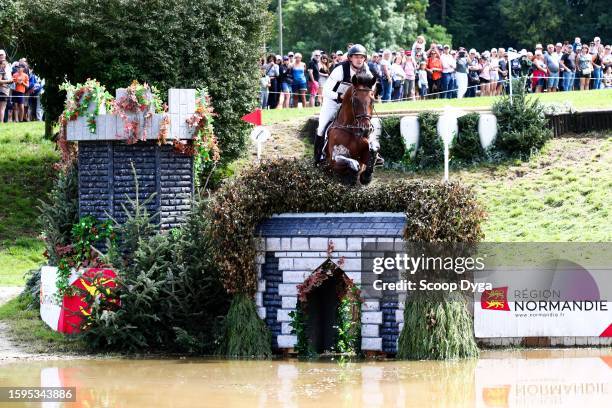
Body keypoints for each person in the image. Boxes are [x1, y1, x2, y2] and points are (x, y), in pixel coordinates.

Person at [314, 44, 379, 164]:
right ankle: (319, 157)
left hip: (353, 104)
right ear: (350, 58)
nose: (359, 60)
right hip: (333, 102)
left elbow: (371, 86)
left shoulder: (366, 70)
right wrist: (339, 97)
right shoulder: (340, 70)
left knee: (368, 122)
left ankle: (373, 152)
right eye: (356, 57)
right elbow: (326, 91)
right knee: (322, 126)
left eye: (362, 57)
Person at [0, 50, 12, 123]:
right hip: (2, 90)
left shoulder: (7, 66)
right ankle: (1, 123)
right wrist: (10, 81)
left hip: (5, 89)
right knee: (2, 108)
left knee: (3, 108)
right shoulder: (2, 68)